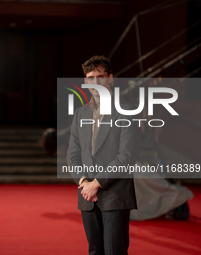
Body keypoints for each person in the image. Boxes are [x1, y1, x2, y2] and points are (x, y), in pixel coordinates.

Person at [66, 55, 141, 255]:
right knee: (95, 251)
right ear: (85, 82)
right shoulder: (80, 114)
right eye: (90, 77)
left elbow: (127, 156)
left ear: (111, 78)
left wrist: (96, 183)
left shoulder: (127, 112)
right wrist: (84, 181)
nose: (96, 82)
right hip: (87, 198)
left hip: (115, 195)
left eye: (100, 76)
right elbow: (72, 156)